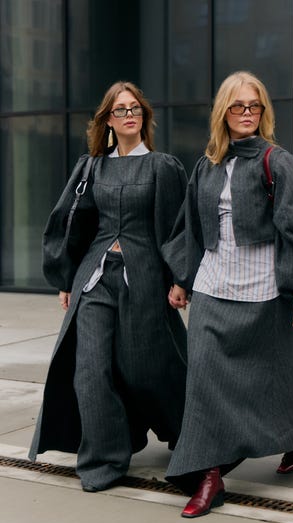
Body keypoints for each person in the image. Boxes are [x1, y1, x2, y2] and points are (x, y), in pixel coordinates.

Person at [164, 71, 293, 518]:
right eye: (237, 106)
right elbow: (193, 228)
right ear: (223, 111)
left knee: (284, 373)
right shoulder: (206, 165)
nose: (245, 114)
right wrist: (182, 279)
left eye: (253, 106)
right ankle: (209, 477)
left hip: (266, 290)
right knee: (202, 382)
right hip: (213, 288)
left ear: (263, 112)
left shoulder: (278, 161)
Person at [29, 81, 188, 493]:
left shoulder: (162, 167)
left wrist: (179, 279)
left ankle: (189, 433)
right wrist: (66, 278)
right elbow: (72, 222)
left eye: (135, 108)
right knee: (89, 370)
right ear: (108, 120)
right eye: (121, 109)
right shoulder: (92, 167)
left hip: (145, 278)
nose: (129, 114)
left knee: (145, 368)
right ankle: (103, 461)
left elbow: (176, 229)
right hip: (95, 277)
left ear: (144, 117)